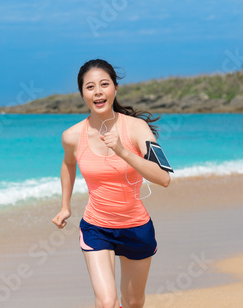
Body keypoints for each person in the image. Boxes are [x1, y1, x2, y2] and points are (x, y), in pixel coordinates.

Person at [52, 59, 171, 308]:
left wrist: (122, 151)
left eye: (104, 84)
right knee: (106, 302)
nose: (97, 91)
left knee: (133, 302)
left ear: (115, 88)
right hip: (96, 227)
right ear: (82, 93)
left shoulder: (137, 129)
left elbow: (163, 177)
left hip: (136, 227)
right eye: (90, 87)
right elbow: (68, 164)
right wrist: (65, 205)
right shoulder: (72, 136)